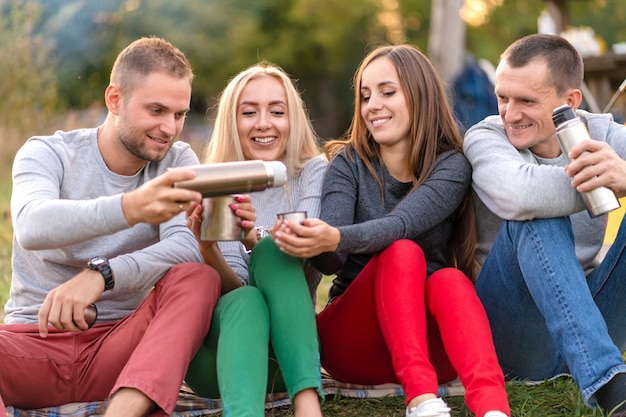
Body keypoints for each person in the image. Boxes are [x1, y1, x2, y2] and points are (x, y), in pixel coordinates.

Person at [273, 44, 510, 417]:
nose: (372, 106)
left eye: (387, 92)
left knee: (449, 280)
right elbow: (333, 260)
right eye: (365, 96)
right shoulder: (348, 162)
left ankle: (494, 409)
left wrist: (337, 236)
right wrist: (310, 239)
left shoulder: (450, 165)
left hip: (433, 349)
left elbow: (401, 224)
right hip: (355, 344)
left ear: (419, 95)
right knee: (402, 252)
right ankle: (421, 402)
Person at [0, 37, 231, 417]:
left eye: (179, 114)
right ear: (115, 99)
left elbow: (185, 246)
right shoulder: (47, 153)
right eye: (156, 110)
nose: (169, 128)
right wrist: (131, 207)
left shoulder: (178, 160)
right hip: (35, 345)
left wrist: (102, 275)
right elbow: (30, 224)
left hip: (122, 351)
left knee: (197, 277)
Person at [463, 33, 626, 416]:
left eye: (527, 101)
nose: (510, 113)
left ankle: (598, 369)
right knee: (533, 213)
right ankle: (612, 386)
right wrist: (610, 182)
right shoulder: (486, 136)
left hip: (591, 318)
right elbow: (518, 196)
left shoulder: (602, 134)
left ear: (569, 101)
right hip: (514, 334)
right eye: (503, 97)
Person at [183, 62, 327, 417]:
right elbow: (234, 292)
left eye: (277, 111)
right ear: (233, 121)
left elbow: (305, 248)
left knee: (274, 251)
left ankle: (307, 405)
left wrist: (252, 237)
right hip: (221, 359)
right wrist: (207, 248)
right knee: (246, 298)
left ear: (292, 119)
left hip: (287, 358)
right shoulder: (217, 180)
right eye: (249, 112)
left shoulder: (314, 172)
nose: (264, 122)